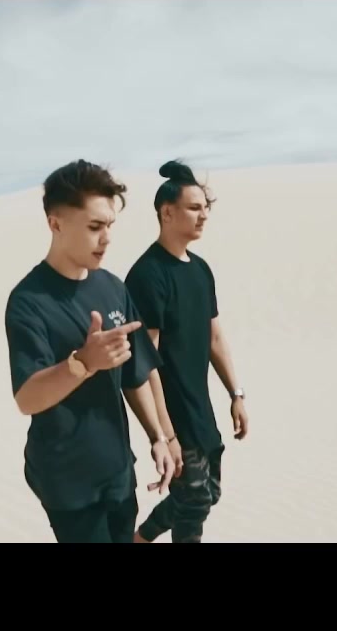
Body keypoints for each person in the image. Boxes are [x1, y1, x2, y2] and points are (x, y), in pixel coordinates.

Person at [4, 159, 177, 543]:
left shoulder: (113, 288)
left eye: (110, 225)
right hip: (68, 481)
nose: (107, 238)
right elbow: (27, 398)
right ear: (56, 224)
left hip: (118, 471)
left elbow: (135, 374)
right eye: (95, 227)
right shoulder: (29, 302)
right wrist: (83, 363)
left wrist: (158, 437)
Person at [126, 160, 248, 544]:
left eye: (205, 207)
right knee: (194, 499)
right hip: (175, 412)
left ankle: (139, 538)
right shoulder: (148, 275)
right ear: (167, 212)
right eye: (194, 207)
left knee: (206, 494)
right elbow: (146, 362)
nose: (204, 215)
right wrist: (166, 433)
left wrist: (236, 394)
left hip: (201, 408)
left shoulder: (200, 270)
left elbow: (215, 338)